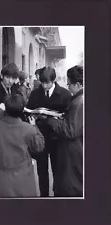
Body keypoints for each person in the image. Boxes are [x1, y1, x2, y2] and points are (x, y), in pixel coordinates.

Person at [27, 66, 72, 197]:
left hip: (57, 138)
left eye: (47, 83)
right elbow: (29, 109)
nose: (44, 86)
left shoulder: (65, 94)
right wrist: (32, 115)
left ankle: (58, 196)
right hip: (41, 137)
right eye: (42, 82)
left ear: (54, 80)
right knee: (42, 170)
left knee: (58, 170)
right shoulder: (35, 93)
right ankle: (44, 197)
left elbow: (69, 117)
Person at [0, 94, 45, 197]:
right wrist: (34, 126)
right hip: (23, 177)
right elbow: (39, 147)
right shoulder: (28, 129)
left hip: (1, 177)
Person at [42, 65, 83, 197]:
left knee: (68, 186)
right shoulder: (78, 99)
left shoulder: (78, 102)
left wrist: (49, 119)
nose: (68, 86)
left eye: (69, 84)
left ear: (78, 84)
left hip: (71, 152)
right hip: (69, 150)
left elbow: (70, 130)